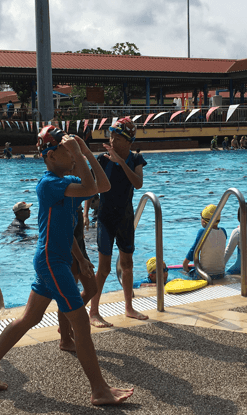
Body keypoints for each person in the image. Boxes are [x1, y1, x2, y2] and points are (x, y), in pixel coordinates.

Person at [0, 132, 133, 406]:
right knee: (81, 323)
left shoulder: (68, 182)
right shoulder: (49, 184)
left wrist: (80, 258)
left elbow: (102, 187)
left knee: (29, 318)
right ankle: (99, 390)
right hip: (51, 262)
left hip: (55, 258)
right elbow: (92, 189)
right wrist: (82, 154)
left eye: (72, 151)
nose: (71, 155)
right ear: (50, 156)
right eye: (65, 150)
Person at [87, 117, 148, 328]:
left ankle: (129, 307)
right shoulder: (102, 159)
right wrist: (86, 214)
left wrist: (121, 162)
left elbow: (138, 184)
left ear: (128, 141)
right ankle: (93, 312)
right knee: (103, 268)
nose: (111, 140)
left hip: (125, 217)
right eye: (111, 135)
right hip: (105, 217)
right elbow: (92, 188)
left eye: (116, 137)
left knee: (127, 265)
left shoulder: (136, 159)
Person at [184, 204, 227, 279]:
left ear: (203, 221)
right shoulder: (223, 231)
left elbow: (193, 250)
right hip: (221, 274)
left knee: (182, 273)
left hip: (205, 275)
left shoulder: (203, 232)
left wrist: (185, 264)